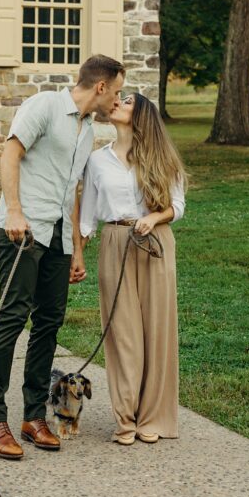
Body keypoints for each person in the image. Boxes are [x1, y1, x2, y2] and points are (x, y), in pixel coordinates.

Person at [0, 55, 125, 460]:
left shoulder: (87, 130)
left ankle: (32, 417)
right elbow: (11, 154)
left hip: (59, 239)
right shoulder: (44, 105)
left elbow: (74, 191)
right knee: (12, 318)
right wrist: (13, 209)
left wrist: (77, 247)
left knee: (48, 323)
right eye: (115, 91)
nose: (116, 99)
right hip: (22, 231)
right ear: (100, 86)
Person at [78, 92, 187, 445]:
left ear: (140, 115)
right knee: (122, 333)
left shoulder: (162, 157)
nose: (116, 103)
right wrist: (77, 254)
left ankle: (152, 417)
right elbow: (86, 215)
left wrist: (153, 217)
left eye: (126, 102)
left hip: (155, 244)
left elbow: (178, 205)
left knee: (157, 331)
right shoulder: (97, 161)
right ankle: (125, 418)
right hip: (114, 242)